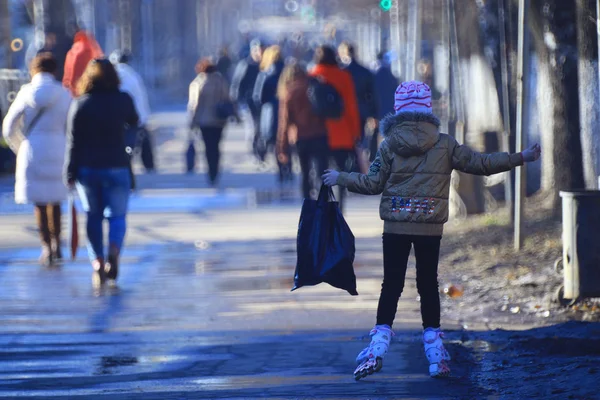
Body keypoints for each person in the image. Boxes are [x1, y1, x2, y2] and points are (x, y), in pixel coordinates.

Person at [322, 80, 541, 379]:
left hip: (396, 226)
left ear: (398, 111)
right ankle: (435, 353)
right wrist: (520, 157)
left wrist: (341, 177)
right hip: (429, 227)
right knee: (427, 284)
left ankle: (378, 346)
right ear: (429, 110)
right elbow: (480, 164)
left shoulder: (389, 145)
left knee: (392, 284)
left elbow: (372, 184)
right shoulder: (445, 143)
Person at [65, 58, 139, 288]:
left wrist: (70, 169)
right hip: (117, 164)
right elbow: (135, 123)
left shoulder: (81, 104)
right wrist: (128, 146)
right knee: (117, 215)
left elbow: (73, 141)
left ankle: (97, 261)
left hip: (88, 168)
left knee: (93, 215)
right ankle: (114, 250)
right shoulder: (123, 100)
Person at [2, 53, 72, 267]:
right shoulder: (64, 94)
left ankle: (45, 246)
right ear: (54, 70)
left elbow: (8, 128)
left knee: (40, 202)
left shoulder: (25, 94)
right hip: (59, 149)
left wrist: (19, 146)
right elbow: (73, 125)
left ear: (34, 69)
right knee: (56, 199)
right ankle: (57, 244)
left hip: (32, 149)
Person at [309, 45, 360, 213]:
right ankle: (340, 209)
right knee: (339, 174)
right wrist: (355, 133)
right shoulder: (344, 76)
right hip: (342, 134)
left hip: (318, 134)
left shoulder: (312, 76)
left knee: (320, 175)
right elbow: (351, 106)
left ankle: (322, 209)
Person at [276, 62, 328, 200]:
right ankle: (323, 199)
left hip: (300, 137)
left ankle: (308, 203)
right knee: (321, 171)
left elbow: (284, 123)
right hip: (320, 134)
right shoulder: (315, 86)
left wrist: (282, 148)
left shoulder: (289, 93)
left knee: (305, 173)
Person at [110, 50, 155, 173]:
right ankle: (149, 167)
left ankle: (128, 175)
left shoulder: (116, 75)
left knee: (124, 150)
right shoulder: (134, 75)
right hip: (138, 117)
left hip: (125, 119)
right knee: (138, 145)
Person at [187, 58, 230, 186]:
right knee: (216, 147)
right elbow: (228, 99)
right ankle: (215, 170)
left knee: (207, 147)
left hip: (204, 122)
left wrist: (193, 122)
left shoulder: (197, 83)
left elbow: (194, 105)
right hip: (219, 121)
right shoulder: (221, 81)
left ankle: (210, 172)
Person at [253, 45, 288, 184]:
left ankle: (281, 170)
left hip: (271, 114)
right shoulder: (289, 72)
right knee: (287, 142)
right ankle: (288, 167)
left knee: (275, 144)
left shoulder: (266, 74)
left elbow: (258, 97)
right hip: (287, 112)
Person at [338, 42, 378, 150]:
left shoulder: (342, 72)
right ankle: (359, 159)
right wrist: (373, 114)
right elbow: (371, 94)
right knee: (359, 138)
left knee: (347, 140)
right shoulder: (365, 71)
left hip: (345, 111)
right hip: (362, 109)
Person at [230, 40, 263, 159]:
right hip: (249, 103)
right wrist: (236, 102)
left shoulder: (264, 65)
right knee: (253, 127)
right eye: (257, 50)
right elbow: (237, 84)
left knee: (262, 127)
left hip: (262, 102)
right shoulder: (245, 65)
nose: (259, 53)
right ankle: (255, 149)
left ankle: (262, 149)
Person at [372, 51, 399, 161]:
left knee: (377, 132)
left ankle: (376, 155)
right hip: (390, 107)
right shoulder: (390, 74)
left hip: (378, 108)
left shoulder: (375, 74)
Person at [62, 30, 103, 96]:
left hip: (72, 89)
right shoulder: (92, 47)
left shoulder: (73, 50)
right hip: (90, 87)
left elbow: (69, 72)